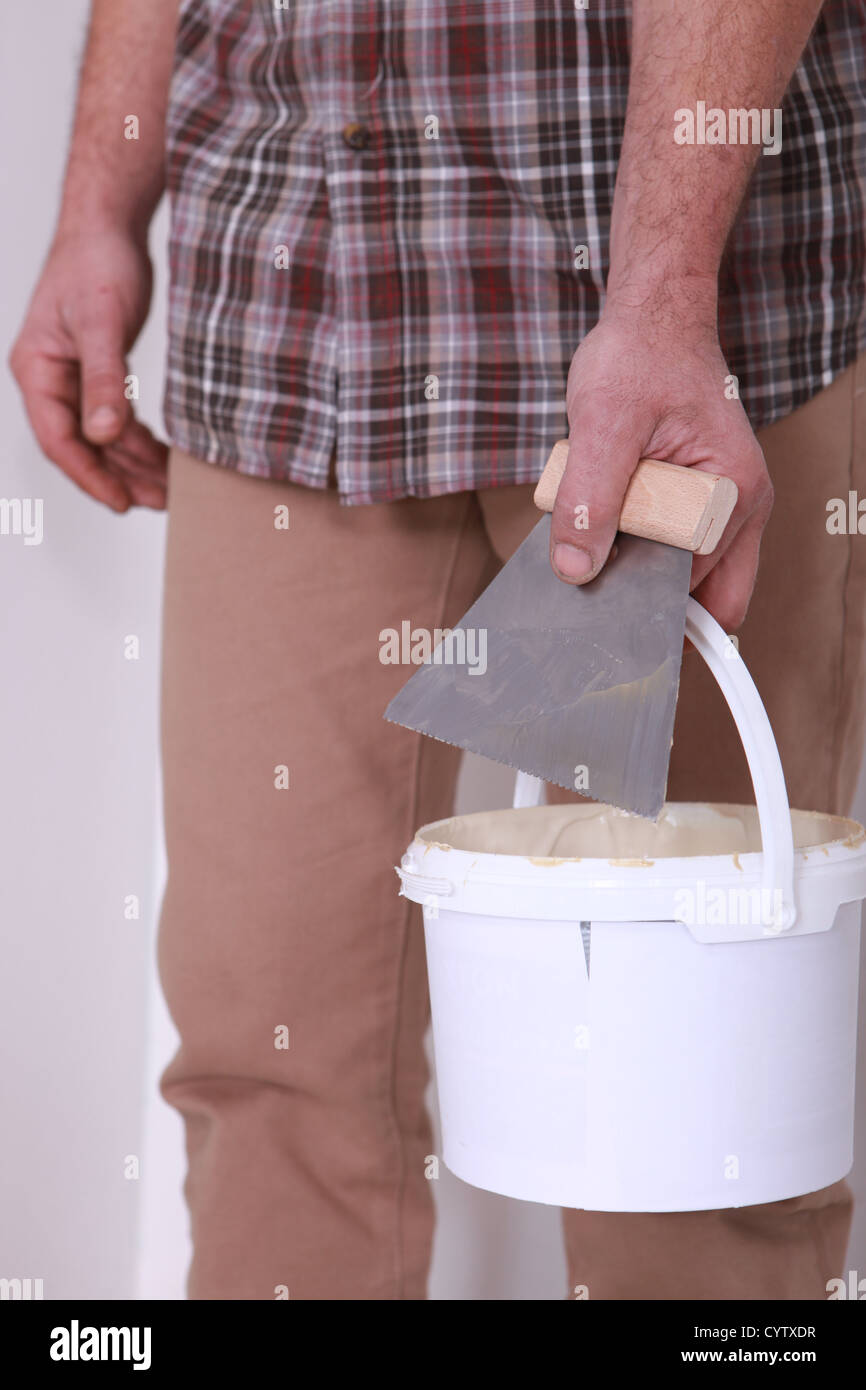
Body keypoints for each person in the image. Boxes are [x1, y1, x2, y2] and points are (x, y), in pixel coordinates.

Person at [11, 0, 866, 1300]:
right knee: (268, 1050)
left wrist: (662, 295)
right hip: (294, 292)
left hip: (687, 304)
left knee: (694, 1083)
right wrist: (96, 206)